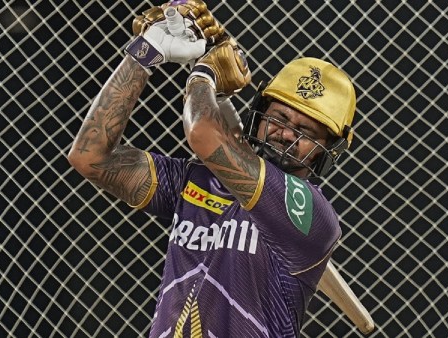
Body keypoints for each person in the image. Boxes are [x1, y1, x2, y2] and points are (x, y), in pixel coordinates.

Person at [68, 1, 356, 336]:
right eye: (279, 118)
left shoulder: (310, 213)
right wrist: (143, 55)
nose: (287, 134)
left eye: (306, 132)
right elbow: (89, 156)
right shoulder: (198, 180)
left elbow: (203, 134)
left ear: (327, 150)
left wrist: (204, 74)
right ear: (260, 115)